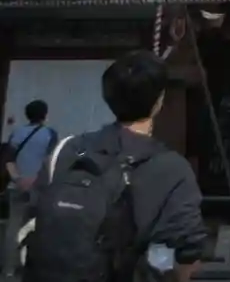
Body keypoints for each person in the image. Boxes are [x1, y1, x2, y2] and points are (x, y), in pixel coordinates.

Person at [24, 50, 206, 282]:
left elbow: (34, 214)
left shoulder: (66, 149)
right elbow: (188, 249)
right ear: (159, 102)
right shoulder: (172, 167)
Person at [3, 99, 56, 276]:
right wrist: (35, 179)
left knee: (13, 227)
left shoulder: (17, 133)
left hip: (16, 186)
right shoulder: (50, 134)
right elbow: (49, 161)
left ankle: (8, 268)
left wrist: (18, 179)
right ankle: (30, 267)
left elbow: (8, 159)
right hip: (38, 187)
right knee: (37, 227)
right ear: (45, 115)